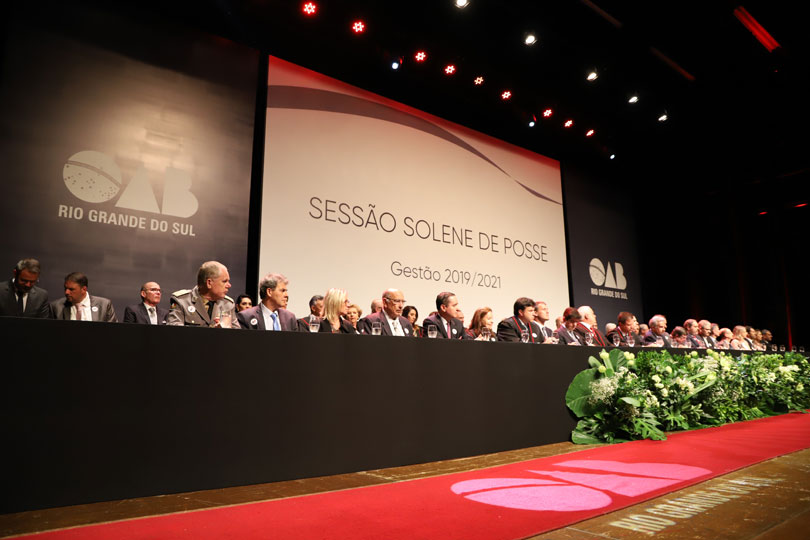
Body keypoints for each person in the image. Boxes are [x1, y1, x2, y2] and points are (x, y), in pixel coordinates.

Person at [167, 261, 239, 328]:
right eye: (224, 281)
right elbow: (174, 333)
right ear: (209, 283)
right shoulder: (182, 301)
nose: (229, 285)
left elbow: (238, 336)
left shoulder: (228, 304)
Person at [50, 272, 117, 322]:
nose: (66, 292)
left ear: (84, 289)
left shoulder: (104, 305)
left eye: (71, 289)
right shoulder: (56, 307)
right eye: (66, 288)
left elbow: (113, 331)